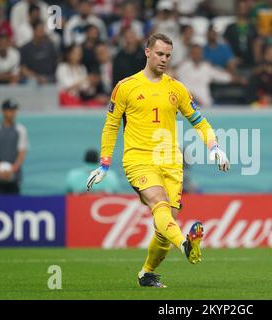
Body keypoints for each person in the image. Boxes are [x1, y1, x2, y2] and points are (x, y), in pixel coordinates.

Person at [86, 33, 230, 288]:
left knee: (165, 224)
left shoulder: (177, 88)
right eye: (160, 54)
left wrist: (215, 147)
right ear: (147, 52)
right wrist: (104, 164)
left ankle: (147, 273)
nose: (164, 59)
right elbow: (110, 126)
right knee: (159, 202)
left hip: (171, 163)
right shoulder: (126, 86)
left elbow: (200, 122)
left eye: (168, 55)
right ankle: (186, 244)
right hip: (138, 159)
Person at [0, 99, 29, 194]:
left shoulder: (21, 130)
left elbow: (21, 153)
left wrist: (12, 170)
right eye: (10, 110)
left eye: (14, 110)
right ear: (3, 111)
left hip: (14, 176)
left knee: (14, 205)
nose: (12, 113)